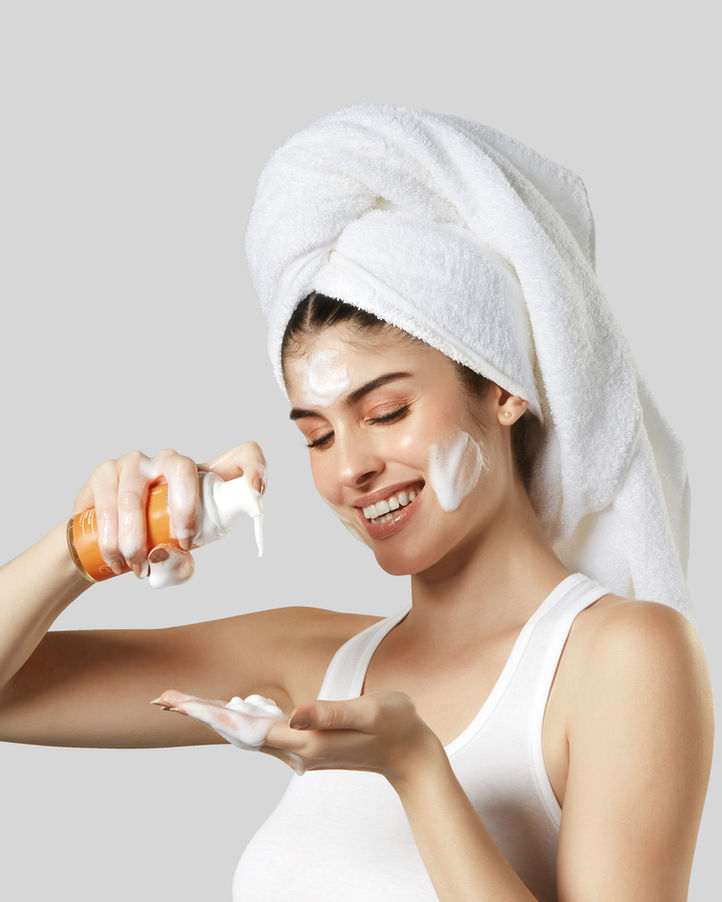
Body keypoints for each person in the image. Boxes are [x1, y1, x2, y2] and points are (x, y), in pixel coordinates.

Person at [0, 104, 714, 901]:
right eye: (317, 436)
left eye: (386, 412)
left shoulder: (620, 657)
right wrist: (87, 544)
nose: (350, 469)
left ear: (503, 388)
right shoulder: (309, 659)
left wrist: (417, 771)